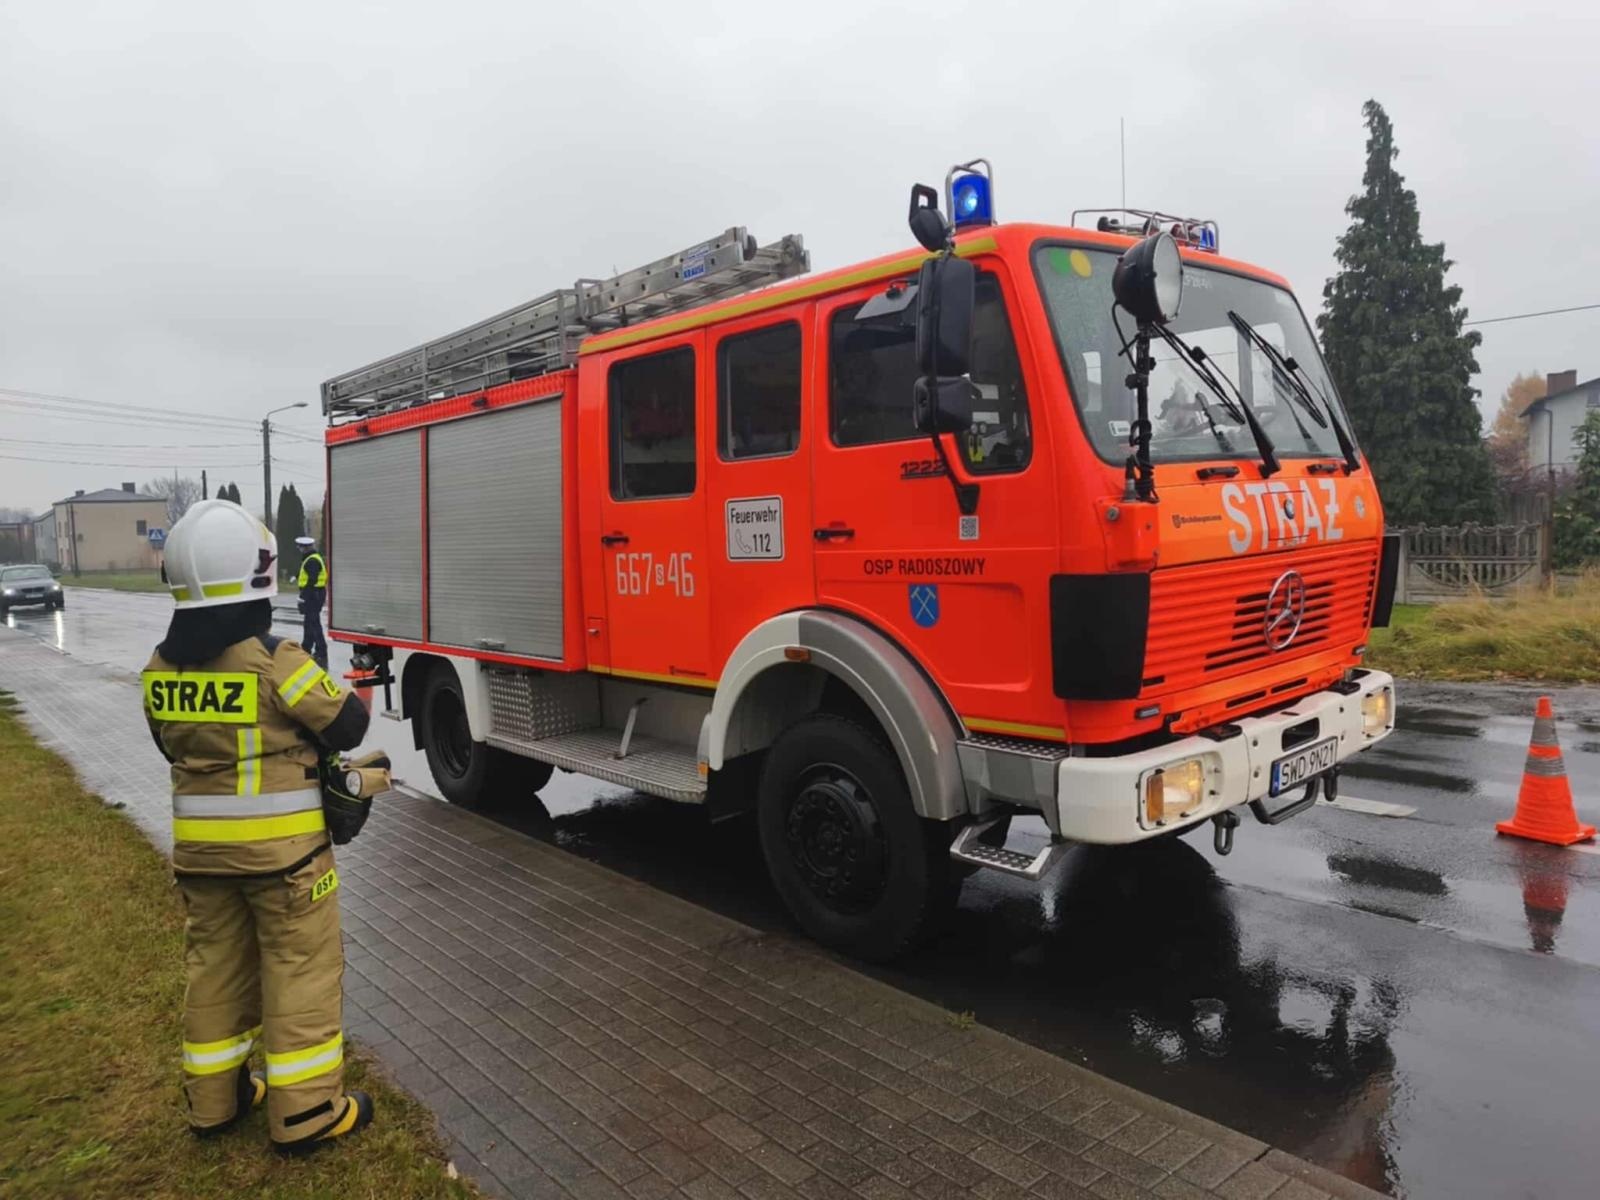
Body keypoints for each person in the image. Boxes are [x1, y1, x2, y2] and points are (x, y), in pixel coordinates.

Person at [143, 500, 374, 1152]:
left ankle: (215, 1105)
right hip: (287, 866)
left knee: (215, 975)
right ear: (257, 573)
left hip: (201, 863)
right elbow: (348, 726)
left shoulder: (160, 669)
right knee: (298, 974)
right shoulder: (275, 661)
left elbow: (168, 748)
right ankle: (306, 1117)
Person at [294, 534, 328, 668]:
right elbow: (308, 574)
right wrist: (295, 576)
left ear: (305, 548)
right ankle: (306, 648)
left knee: (314, 623)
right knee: (309, 623)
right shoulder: (311, 559)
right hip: (315, 594)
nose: (299, 549)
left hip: (314, 594)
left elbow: (312, 579)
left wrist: (303, 596)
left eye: (300, 547)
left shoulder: (312, 560)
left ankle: (321, 651)